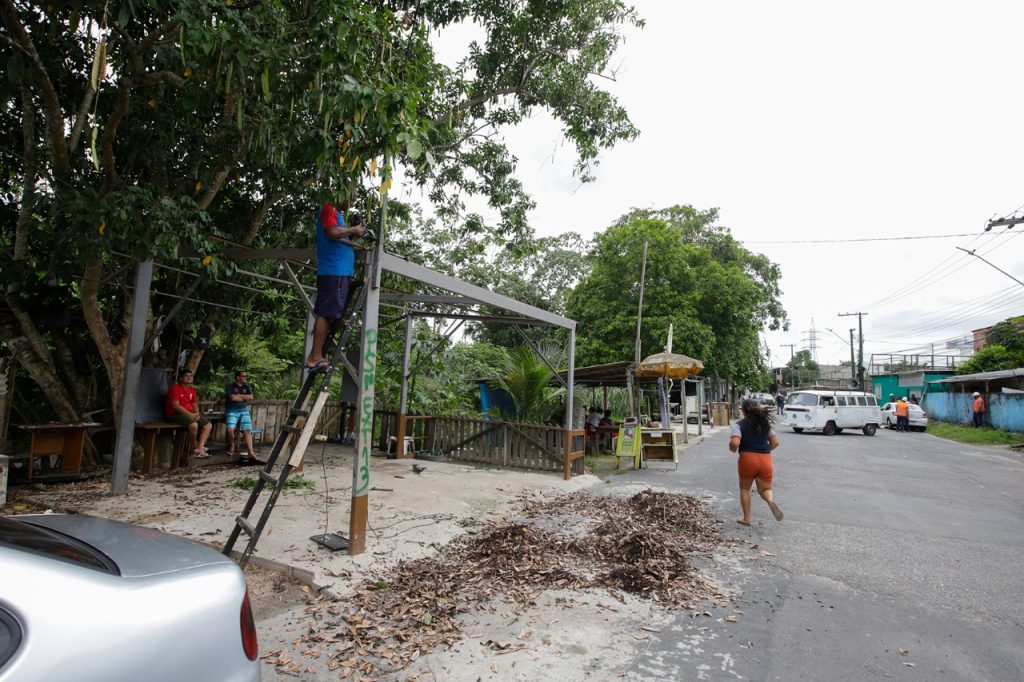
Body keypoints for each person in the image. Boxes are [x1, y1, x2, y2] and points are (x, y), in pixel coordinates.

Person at [304, 198, 365, 370]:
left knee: (331, 313)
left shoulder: (336, 214)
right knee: (326, 313)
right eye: (350, 197)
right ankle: (315, 356)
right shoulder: (329, 208)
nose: (351, 202)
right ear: (341, 194)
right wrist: (354, 229)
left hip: (341, 272)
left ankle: (315, 355)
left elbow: (338, 235)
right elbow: (331, 232)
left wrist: (353, 231)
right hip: (333, 270)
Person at [729, 399, 783, 526]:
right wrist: (764, 450)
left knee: (745, 488)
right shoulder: (765, 425)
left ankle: (747, 518)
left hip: (747, 459)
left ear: (743, 411)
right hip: (765, 459)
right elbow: (775, 443)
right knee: (765, 489)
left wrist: (732, 449)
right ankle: (770, 500)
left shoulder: (739, 425)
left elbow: (735, 443)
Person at [165, 369, 212, 458]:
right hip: (175, 414)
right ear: (181, 378)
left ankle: (200, 447)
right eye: (186, 376)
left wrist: (197, 414)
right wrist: (190, 415)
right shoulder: (175, 389)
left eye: (191, 376)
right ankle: (193, 447)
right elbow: (176, 406)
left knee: (208, 425)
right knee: (194, 425)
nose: (189, 377)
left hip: (189, 414)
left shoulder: (192, 390)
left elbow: (194, 404)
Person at [225, 370, 257, 464]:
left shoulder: (247, 386)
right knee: (230, 429)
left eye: (246, 376)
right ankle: (232, 444)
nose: (245, 378)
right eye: (244, 376)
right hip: (232, 410)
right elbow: (232, 398)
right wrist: (244, 397)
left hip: (244, 410)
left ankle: (251, 452)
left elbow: (251, 397)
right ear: (238, 377)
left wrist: (239, 395)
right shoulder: (230, 386)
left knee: (247, 430)